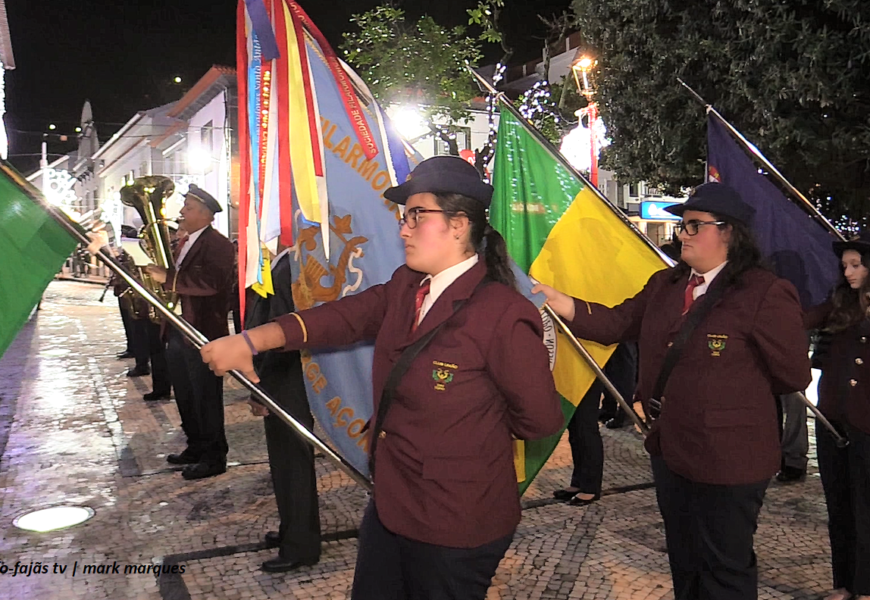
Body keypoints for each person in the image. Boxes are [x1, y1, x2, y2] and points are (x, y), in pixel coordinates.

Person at [200, 156, 564, 600]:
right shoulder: (408, 285)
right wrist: (254, 339)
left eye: (416, 215)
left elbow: (540, 421)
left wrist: (465, 435)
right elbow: (347, 316)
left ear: (458, 224)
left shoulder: (503, 313)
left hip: (456, 521)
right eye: (404, 216)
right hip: (393, 506)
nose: (403, 228)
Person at [534, 182, 811, 600]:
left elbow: (792, 375)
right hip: (671, 450)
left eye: (695, 226)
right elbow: (614, 324)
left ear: (729, 232)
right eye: (682, 224)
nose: (683, 234)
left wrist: (729, 394)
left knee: (724, 565)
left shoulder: (763, 292)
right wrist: (558, 300)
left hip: (731, 457)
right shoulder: (665, 284)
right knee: (684, 559)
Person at [145, 184, 235, 481]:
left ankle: (214, 456)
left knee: (205, 397)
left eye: (189, 207)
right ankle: (195, 446)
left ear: (205, 214)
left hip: (201, 334)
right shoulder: (182, 243)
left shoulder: (218, 245)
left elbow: (211, 284)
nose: (181, 211)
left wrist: (168, 277)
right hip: (176, 331)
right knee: (184, 394)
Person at [244, 248, 322, 573]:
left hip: (287, 376)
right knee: (282, 460)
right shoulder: (277, 259)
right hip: (277, 374)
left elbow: (283, 332)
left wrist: (263, 384)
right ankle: (292, 528)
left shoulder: (293, 262)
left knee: (293, 463)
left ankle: (301, 545)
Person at [805, 230, 870, 600]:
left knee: (866, 506)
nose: (848, 272)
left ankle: (866, 584)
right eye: (844, 265)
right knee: (839, 505)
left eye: (856, 264)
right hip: (833, 421)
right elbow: (801, 320)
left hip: (867, 423)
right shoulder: (837, 304)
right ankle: (844, 582)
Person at [555, 342, 638, 505]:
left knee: (586, 424)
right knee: (575, 425)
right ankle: (578, 481)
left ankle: (590, 486)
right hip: (571, 359)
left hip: (590, 358)